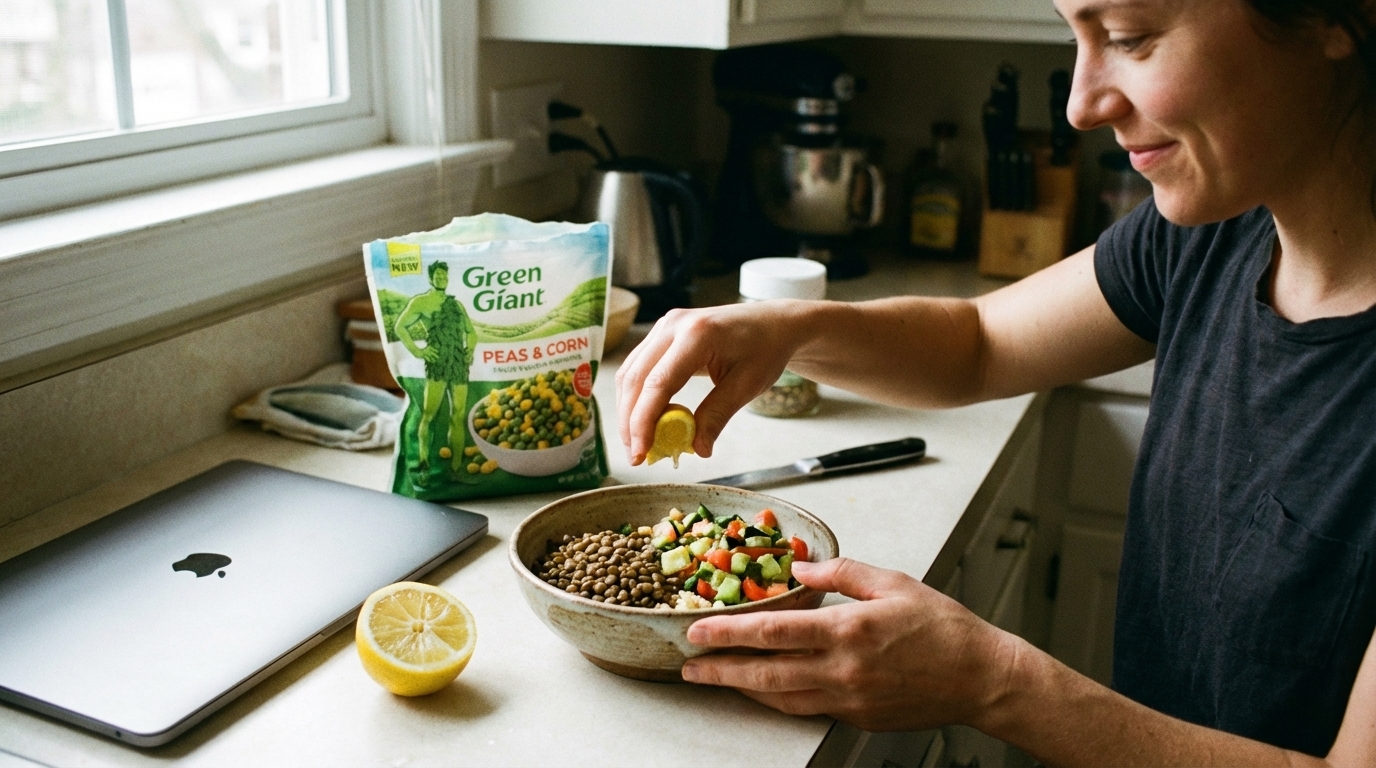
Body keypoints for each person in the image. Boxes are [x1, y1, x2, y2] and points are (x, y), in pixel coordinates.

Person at [614, 0, 1376, 763]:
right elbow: (977, 345)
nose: (1082, 105)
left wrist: (993, 682)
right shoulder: (1215, 231)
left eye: (1128, 38)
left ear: (1329, 17)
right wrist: (789, 330)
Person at [395, 261, 478, 480]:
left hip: (459, 364)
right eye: (438, 276)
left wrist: (470, 349)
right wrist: (418, 351)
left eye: (445, 276)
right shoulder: (421, 302)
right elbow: (400, 327)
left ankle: (456, 467)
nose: (442, 279)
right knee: (428, 414)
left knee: (458, 414)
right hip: (437, 364)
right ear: (431, 278)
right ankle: (423, 462)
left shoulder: (457, 305)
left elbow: (471, 332)